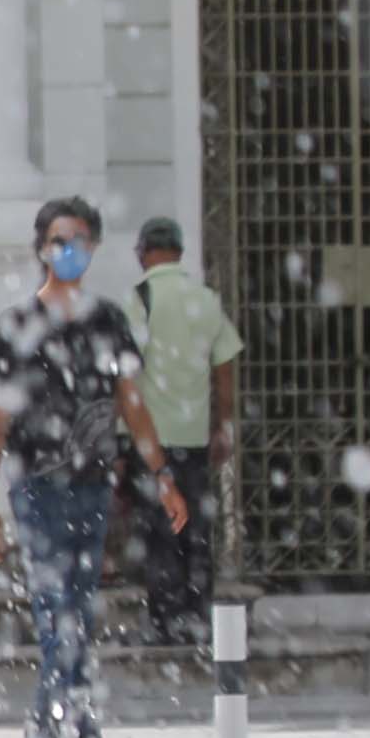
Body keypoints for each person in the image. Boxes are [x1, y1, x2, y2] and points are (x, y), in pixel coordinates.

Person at [0, 196, 185, 738]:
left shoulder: (109, 321)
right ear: (42, 248)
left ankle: (46, 729)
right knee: (55, 615)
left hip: (93, 488)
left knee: (76, 614)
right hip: (35, 488)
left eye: (80, 241)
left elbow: (132, 405)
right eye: (58, 240)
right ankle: (79, 735)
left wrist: (162, 474)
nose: (69, 251)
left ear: (92, 248)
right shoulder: (16, 326)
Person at [122, 213, 241, 647]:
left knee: (158, 531)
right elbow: (225, 365)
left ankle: (163, 620)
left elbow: (126, 375)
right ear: (179, 251)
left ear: (142, 253)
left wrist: (123, 435)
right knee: (197, 531)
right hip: (195, 438)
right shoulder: (206, 300)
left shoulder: (141, 300)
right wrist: (223, 425)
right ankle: (198, 617)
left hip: (153, 441)